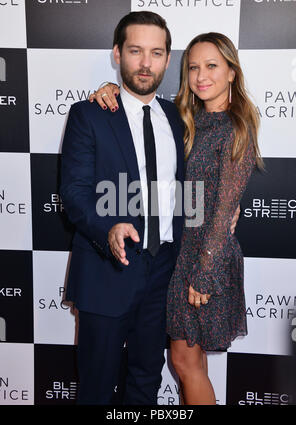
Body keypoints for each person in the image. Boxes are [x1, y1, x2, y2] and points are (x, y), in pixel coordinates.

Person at [91, 32, 262, 405]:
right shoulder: (187, 118)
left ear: (232, 72)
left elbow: (221, 212)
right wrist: (109, 87)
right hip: (180, 254)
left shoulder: (236, 128)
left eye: (212, 66)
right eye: (194, 67)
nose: (201, 76)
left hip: (205, 258)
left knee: (185, 364)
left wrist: (204, 271)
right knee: (189, 361)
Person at [60, 11, 185, 405]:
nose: (146, 63)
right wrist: (108, 229)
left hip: (164, 271)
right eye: (136, 51)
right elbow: (74, 193)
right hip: (106, 269)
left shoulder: (180, 120)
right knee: (96, 385)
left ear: (167, 59)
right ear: (117, 54)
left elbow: (190, 192)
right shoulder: (89, 115)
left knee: (146, 380)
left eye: (156, 53)